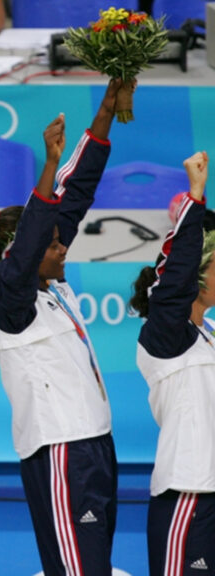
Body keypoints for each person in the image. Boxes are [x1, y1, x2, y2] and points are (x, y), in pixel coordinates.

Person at [0, 79, 124, 576]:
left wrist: (106, 109)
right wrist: (47, 165)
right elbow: (29, 245)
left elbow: (78, 193)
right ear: (18, 256)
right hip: (60, 453)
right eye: (53, 244)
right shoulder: (9, 305)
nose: (63, 247)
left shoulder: (55, 287)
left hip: (97, 446)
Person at [128, 151, 214, 576]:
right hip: (189, 496)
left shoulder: (207, 336)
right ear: (198, 274)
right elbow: (173, 284)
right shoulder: (164, 338)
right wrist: (195, 197)